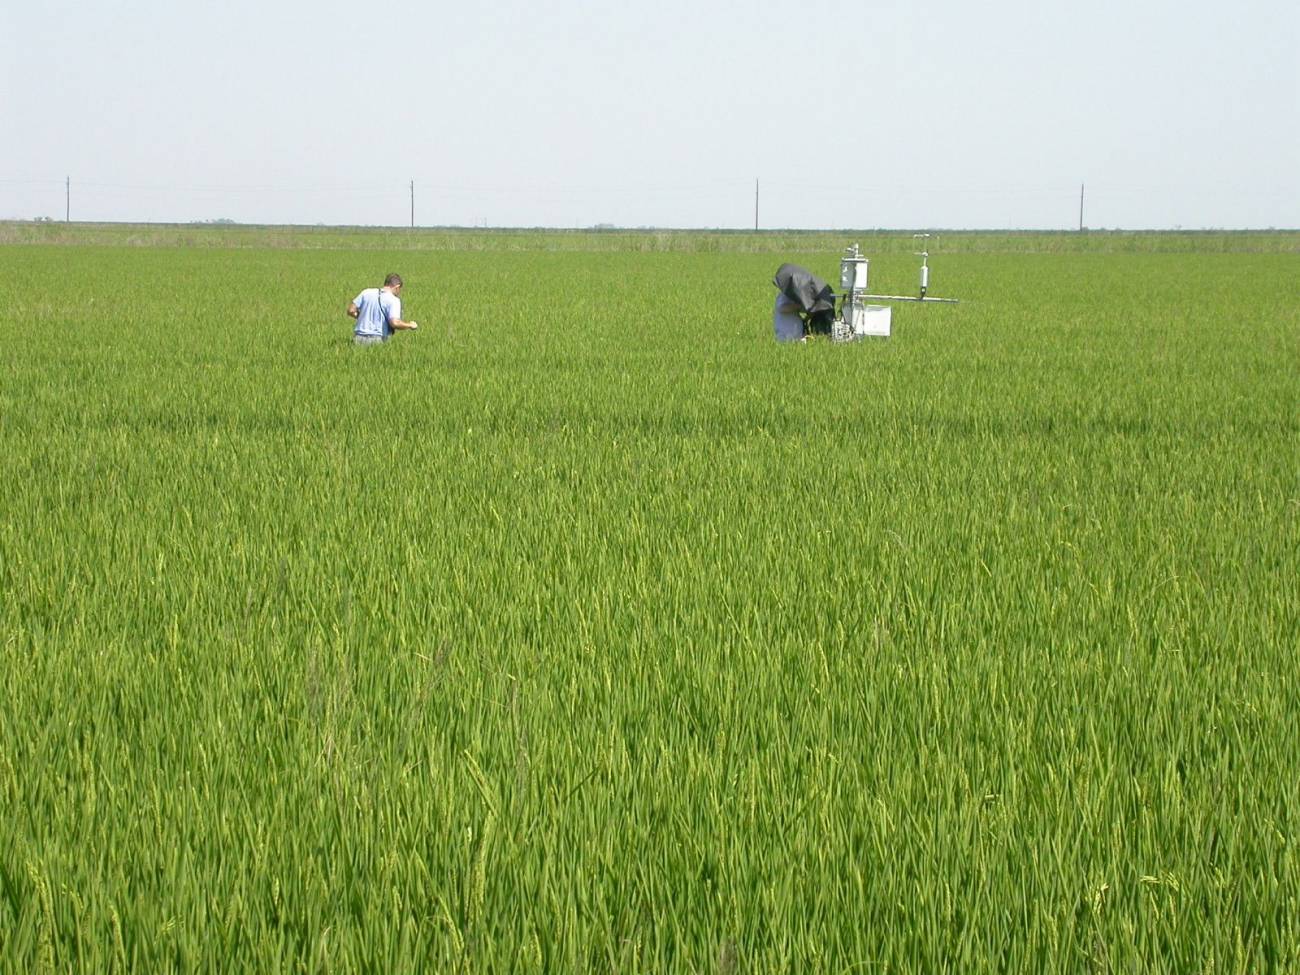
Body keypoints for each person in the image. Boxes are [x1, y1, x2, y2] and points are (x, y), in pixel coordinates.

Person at [347, 273, 418, 345]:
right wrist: (410, 325)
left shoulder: (366, 292)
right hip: (378, 340)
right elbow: (395, 323)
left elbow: (351, 310)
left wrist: (362, 316)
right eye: (400, 289)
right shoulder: (394, 300)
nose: (399, 293)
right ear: (397, 287)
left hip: (358, 338)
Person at [772, 263, 836, 341]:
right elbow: (782, 308)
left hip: (795, 335)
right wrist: (801, 307)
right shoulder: (784, 296)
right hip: (788, 336)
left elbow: (810, 309)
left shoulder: (791, 295)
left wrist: (806, 315)